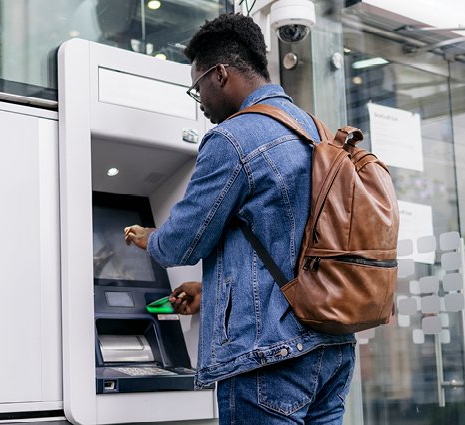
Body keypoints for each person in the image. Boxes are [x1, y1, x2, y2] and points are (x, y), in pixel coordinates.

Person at [123, 13, 357, 425]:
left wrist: (149, 238)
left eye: (197, 89)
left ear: (219, 74)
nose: (201, 103)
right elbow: (290, 247)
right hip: (331, 348)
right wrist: (213, 293)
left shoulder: (233, 138)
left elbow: (181, 244)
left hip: (267, 357)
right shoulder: (315, 131)